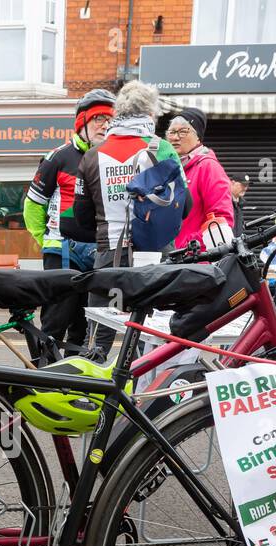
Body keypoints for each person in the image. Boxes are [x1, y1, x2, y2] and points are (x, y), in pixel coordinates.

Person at [72, 81, 181, 358]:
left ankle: (88, 393)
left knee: (98, 332)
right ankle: (144, 391)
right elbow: (185, 204)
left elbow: (81, 216)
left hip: (109, 253)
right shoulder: (162, 148)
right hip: (155, 257)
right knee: (153, 330)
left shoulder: (91, 156)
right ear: (150, 114)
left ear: (118, 112)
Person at [22, 89, 114, 358]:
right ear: (81, 122)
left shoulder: (110, 157)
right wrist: (47, 240)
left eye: (110, 119)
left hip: (99, 251)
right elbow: (32, 206)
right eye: (98, 118)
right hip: (63, 251)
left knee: (86, 324)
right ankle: (42, 375)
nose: (105, 124)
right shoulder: (58, 157)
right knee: (55, 321)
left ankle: (74, 382)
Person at [165, 109, 234, 253]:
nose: (175, 138)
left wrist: (186, 247)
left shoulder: (208, 167)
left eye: (183, 132)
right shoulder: (168, 167)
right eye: (171, 132)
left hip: (196, 263)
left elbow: (222, 221)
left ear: (198, 137)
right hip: (170, 260)